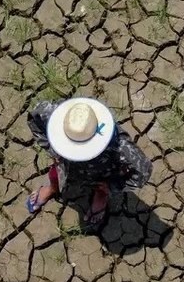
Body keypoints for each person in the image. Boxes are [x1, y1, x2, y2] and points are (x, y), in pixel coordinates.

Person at [26, 97, 152, 227]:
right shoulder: (57, 116)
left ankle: (101, 195)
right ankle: (53, 188)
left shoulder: (120, 146)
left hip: (101, 172)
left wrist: (112, 187)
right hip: (65, 165)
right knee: (55, 175)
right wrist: (54, 151)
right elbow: (34, 118)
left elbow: (144, 171)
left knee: (100, 186)